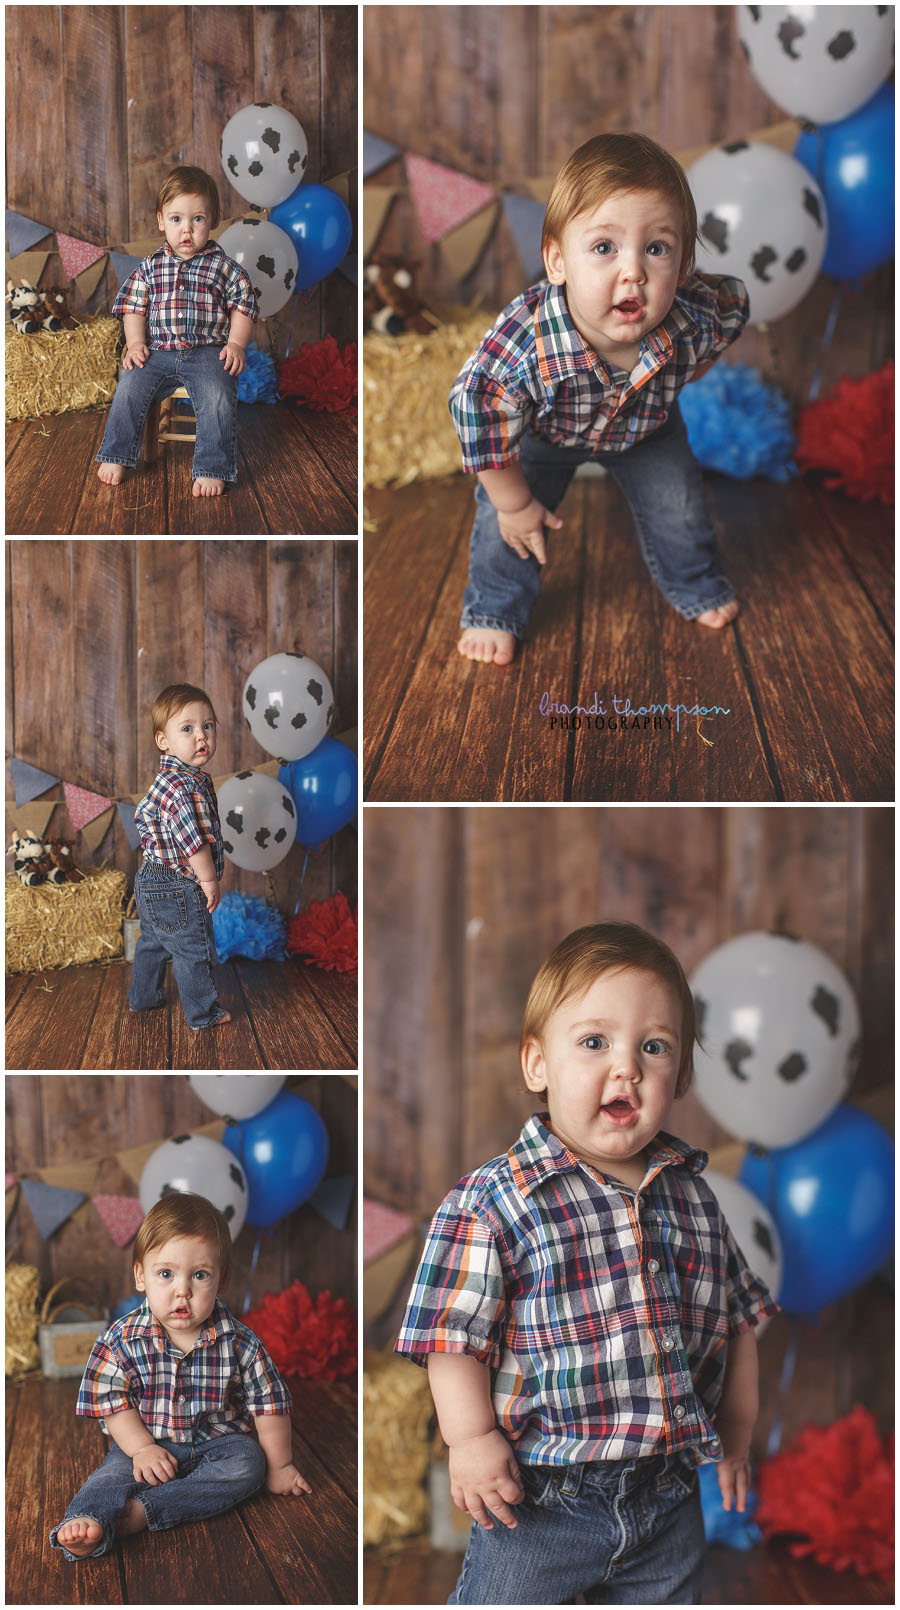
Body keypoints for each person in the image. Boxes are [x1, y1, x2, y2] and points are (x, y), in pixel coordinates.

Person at [396, 921, 778, 1604]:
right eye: (595, 1042)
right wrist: (473, 1438)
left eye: (653, 1047)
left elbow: (736, 1319)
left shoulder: (693, 1196)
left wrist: (738, 1432)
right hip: (541, 1501)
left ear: (679, 1075)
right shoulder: (495, 1200)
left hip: (665, 1497)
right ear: (537, 1063)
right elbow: (452, 1338)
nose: (626, 1066)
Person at [449, 133, 749, 666]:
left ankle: (695, 583)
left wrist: (694, 369)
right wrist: (514, 503)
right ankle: (494, 609)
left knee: (679, 509)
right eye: (604, 247)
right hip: (545, 438)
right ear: (557, 261)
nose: (633, 270)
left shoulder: (692, 314)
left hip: (646, 431)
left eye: (656, 248)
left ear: (681, 269)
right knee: (507, 528)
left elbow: (733, 308)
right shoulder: (529, 343)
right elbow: (478, 408)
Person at [50, 1193, 310, 1562]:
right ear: (141, 1275)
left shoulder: (240, 1342)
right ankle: (86, 1518)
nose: (182, 1289)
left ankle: (145, 1511)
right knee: (110, 1476)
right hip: (144, 1442)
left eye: (200, 1275)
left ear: (221, 1281)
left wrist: (280, 1466)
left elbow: (269, 1404)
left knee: (249, 1464)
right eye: (166, 1273)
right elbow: (112, 1402)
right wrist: (141, 1448)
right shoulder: (121, 1340)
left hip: (218, 1444)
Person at [96, 165, 258, 497]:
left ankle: (212, 467)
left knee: (217, 397)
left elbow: (243, 306)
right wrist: (136, 343)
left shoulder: (223, 267)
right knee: (129, 387)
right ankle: (117, 454)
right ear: (161, 220)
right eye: (176, 219)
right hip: (157, 351)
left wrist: (237, 344)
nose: (187, 229)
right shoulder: (150, 266)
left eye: (197, 219)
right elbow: (133, 307)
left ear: (212, 220)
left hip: (207, 351)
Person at [128, 682, 231, 1030]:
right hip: (178, 883)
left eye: (208, 726)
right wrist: (208, 879)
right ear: (164, 740)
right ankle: (203, 1013)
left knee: (153, 941)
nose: (201, 736)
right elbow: (195, 842)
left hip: (148, 877)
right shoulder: (186, 787)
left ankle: (143, 998)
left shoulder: (167, 779)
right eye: (187, 729)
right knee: (192, 950)